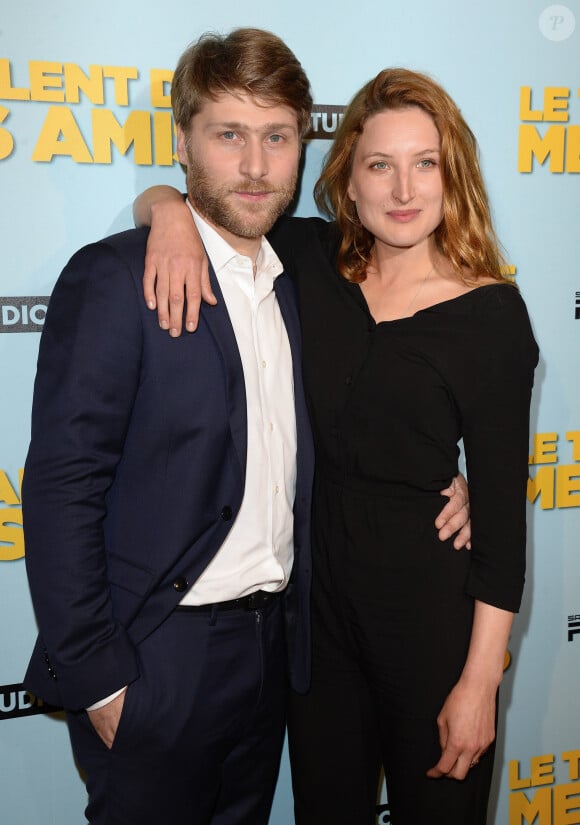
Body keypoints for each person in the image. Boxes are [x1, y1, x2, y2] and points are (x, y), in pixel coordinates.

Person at [134, 66, 538, 825]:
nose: (404, 188)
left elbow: (503, 539)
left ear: (453, 178)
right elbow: (194, 200)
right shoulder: (308, 261)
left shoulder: (492, 316)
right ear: (347, 179)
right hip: (316, 635)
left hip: (432, 634)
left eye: (426, 163)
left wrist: (481, 681)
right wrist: (167, 213)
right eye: (380, 164)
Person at [22, 28, 317, 825]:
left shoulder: (300, 282)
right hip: (160, 657)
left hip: (270, 654)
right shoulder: (117, 277)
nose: (255, 165)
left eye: (276, 137)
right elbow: (60, 484)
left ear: (300, 146)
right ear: (183, 141)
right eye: (229, 135)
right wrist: (102, 680)